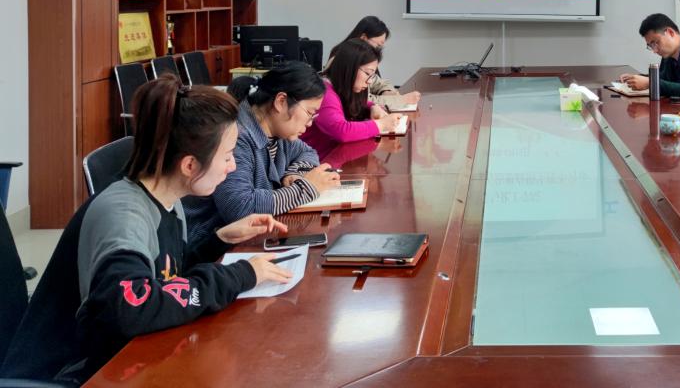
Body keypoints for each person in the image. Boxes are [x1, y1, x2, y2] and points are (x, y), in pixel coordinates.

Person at [1, 75, 292, 384]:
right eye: (228, 156)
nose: (232, 166)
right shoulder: (123, 214)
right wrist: (239, 275)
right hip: (71, 374)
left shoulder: (168, 199)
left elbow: (164, 276)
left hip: (119, 360)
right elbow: (132, 305)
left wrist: (218, 239)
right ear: (189, 165)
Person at [183, 61, 340, 243]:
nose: (310, 122)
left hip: (249, 239)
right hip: (209, 247)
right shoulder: (236, 136)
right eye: (310, 112)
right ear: (281, 102)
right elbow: (240, 208)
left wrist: (294, 175)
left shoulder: (278, 133)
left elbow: (307, 153)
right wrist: (306, 188)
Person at [302, 38, 401, 159]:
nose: (370, 81)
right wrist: (381, 124)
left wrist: (373, 107)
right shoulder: (324, 93)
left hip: (334, 155)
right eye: (367, 73)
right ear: (349, 68)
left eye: (372, 76)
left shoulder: (342, 87)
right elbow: (342, 131)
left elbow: (361, 103)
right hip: (315, 160)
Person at [340, 15, 421, 106]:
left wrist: (386, 91)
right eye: (378, 45)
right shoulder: (345, 60)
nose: (378, 51)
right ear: (363, 38)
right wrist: (402, 100)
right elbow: (362, 101)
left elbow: (378, 82)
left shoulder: (363, 60)